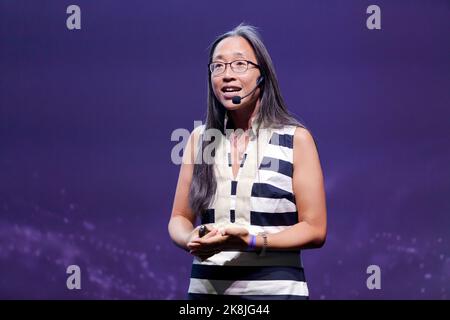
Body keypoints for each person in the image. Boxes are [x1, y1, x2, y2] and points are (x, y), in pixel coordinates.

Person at [168, 24, 327, 300]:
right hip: (206, 294)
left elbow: (315, 229)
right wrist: (190, 239)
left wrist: (250, 240)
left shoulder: (295, 139)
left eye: (239, 64)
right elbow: (179, 218)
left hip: (276, 294)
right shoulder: (198, 139)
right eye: (218, 66)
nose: (227, 75)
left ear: (262, 75)